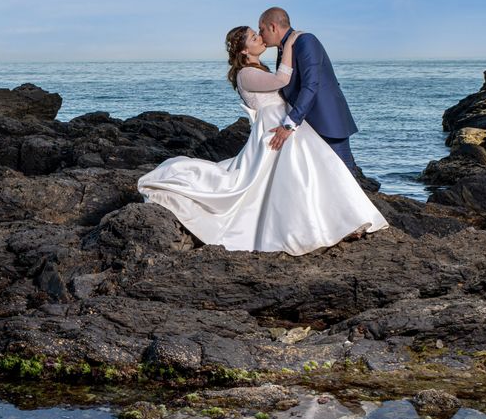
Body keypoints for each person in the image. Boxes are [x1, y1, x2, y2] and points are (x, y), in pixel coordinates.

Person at [135, 25, 387, 256]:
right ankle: (311, 225)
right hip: (274, 126)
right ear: (244, 50)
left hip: (282, 124)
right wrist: (287, 46)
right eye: (254, 37)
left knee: (310, 172)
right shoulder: (245, 74)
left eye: (259, 33)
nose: (259, 38)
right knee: (292, 176)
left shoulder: (257, 70)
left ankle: (339, 219)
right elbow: (282, 81)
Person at [257, 7, 360, 174]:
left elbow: (311, 85)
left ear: (273, 27)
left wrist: (289, 125)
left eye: (261, 30)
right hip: (308, 124)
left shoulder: (305, 41)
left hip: (327, 121)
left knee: (344, 176)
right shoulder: (285, 47)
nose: (260, 35)